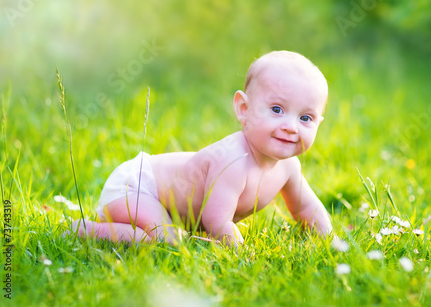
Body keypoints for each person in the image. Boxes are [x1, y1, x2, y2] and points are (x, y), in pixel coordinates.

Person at [72, 50, 334, 246]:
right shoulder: (234, 160)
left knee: (174, 237)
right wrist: (242, 255)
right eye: (277, 110)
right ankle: (86, 230)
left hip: (154, 196)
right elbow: (215, 222)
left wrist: (330, 242)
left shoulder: (289, 167)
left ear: (318, 123)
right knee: (167, 239)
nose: (291, 127)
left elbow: (306, 209)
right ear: (244, 109)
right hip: (137, 187)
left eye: (305, 118)